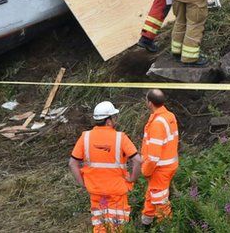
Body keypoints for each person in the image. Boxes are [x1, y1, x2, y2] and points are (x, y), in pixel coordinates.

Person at [69, 101, 142, 233]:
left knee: (100, 226)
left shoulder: (85, 137)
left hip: (95, 191)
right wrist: (132, 178)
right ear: (108, 121)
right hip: (117, 191)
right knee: (118, 227)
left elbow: (72, 163)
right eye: (114, 117)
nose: (115, 120)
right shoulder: (121, 137)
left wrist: (82, 183)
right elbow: (137, 160)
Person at [139, 89, 179, 228]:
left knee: (160, 201)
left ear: (149, 103)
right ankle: (146, 223)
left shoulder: (157, 123)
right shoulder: (169, 116)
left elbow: (153, 156)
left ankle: (166, 227)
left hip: (159, 168)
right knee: (153, 195)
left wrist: (145, 171)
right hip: (168, 165)